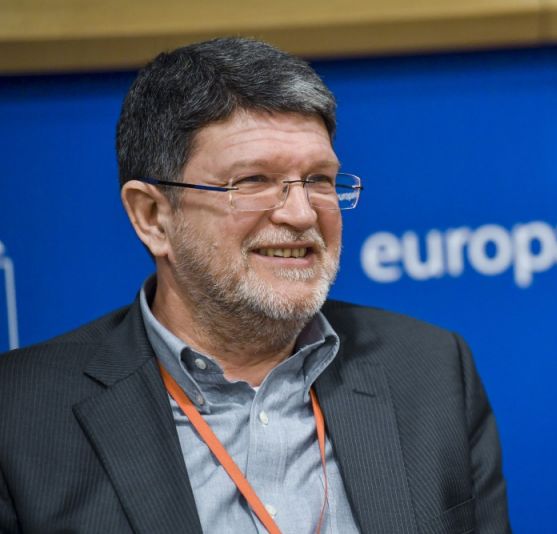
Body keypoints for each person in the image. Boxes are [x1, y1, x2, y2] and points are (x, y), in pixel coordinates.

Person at [0, 37, 510, 533]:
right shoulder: (19, 415)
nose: (301, 213)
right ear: (153, 216)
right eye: (252, 182)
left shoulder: (431, 371)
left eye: (319, 180)